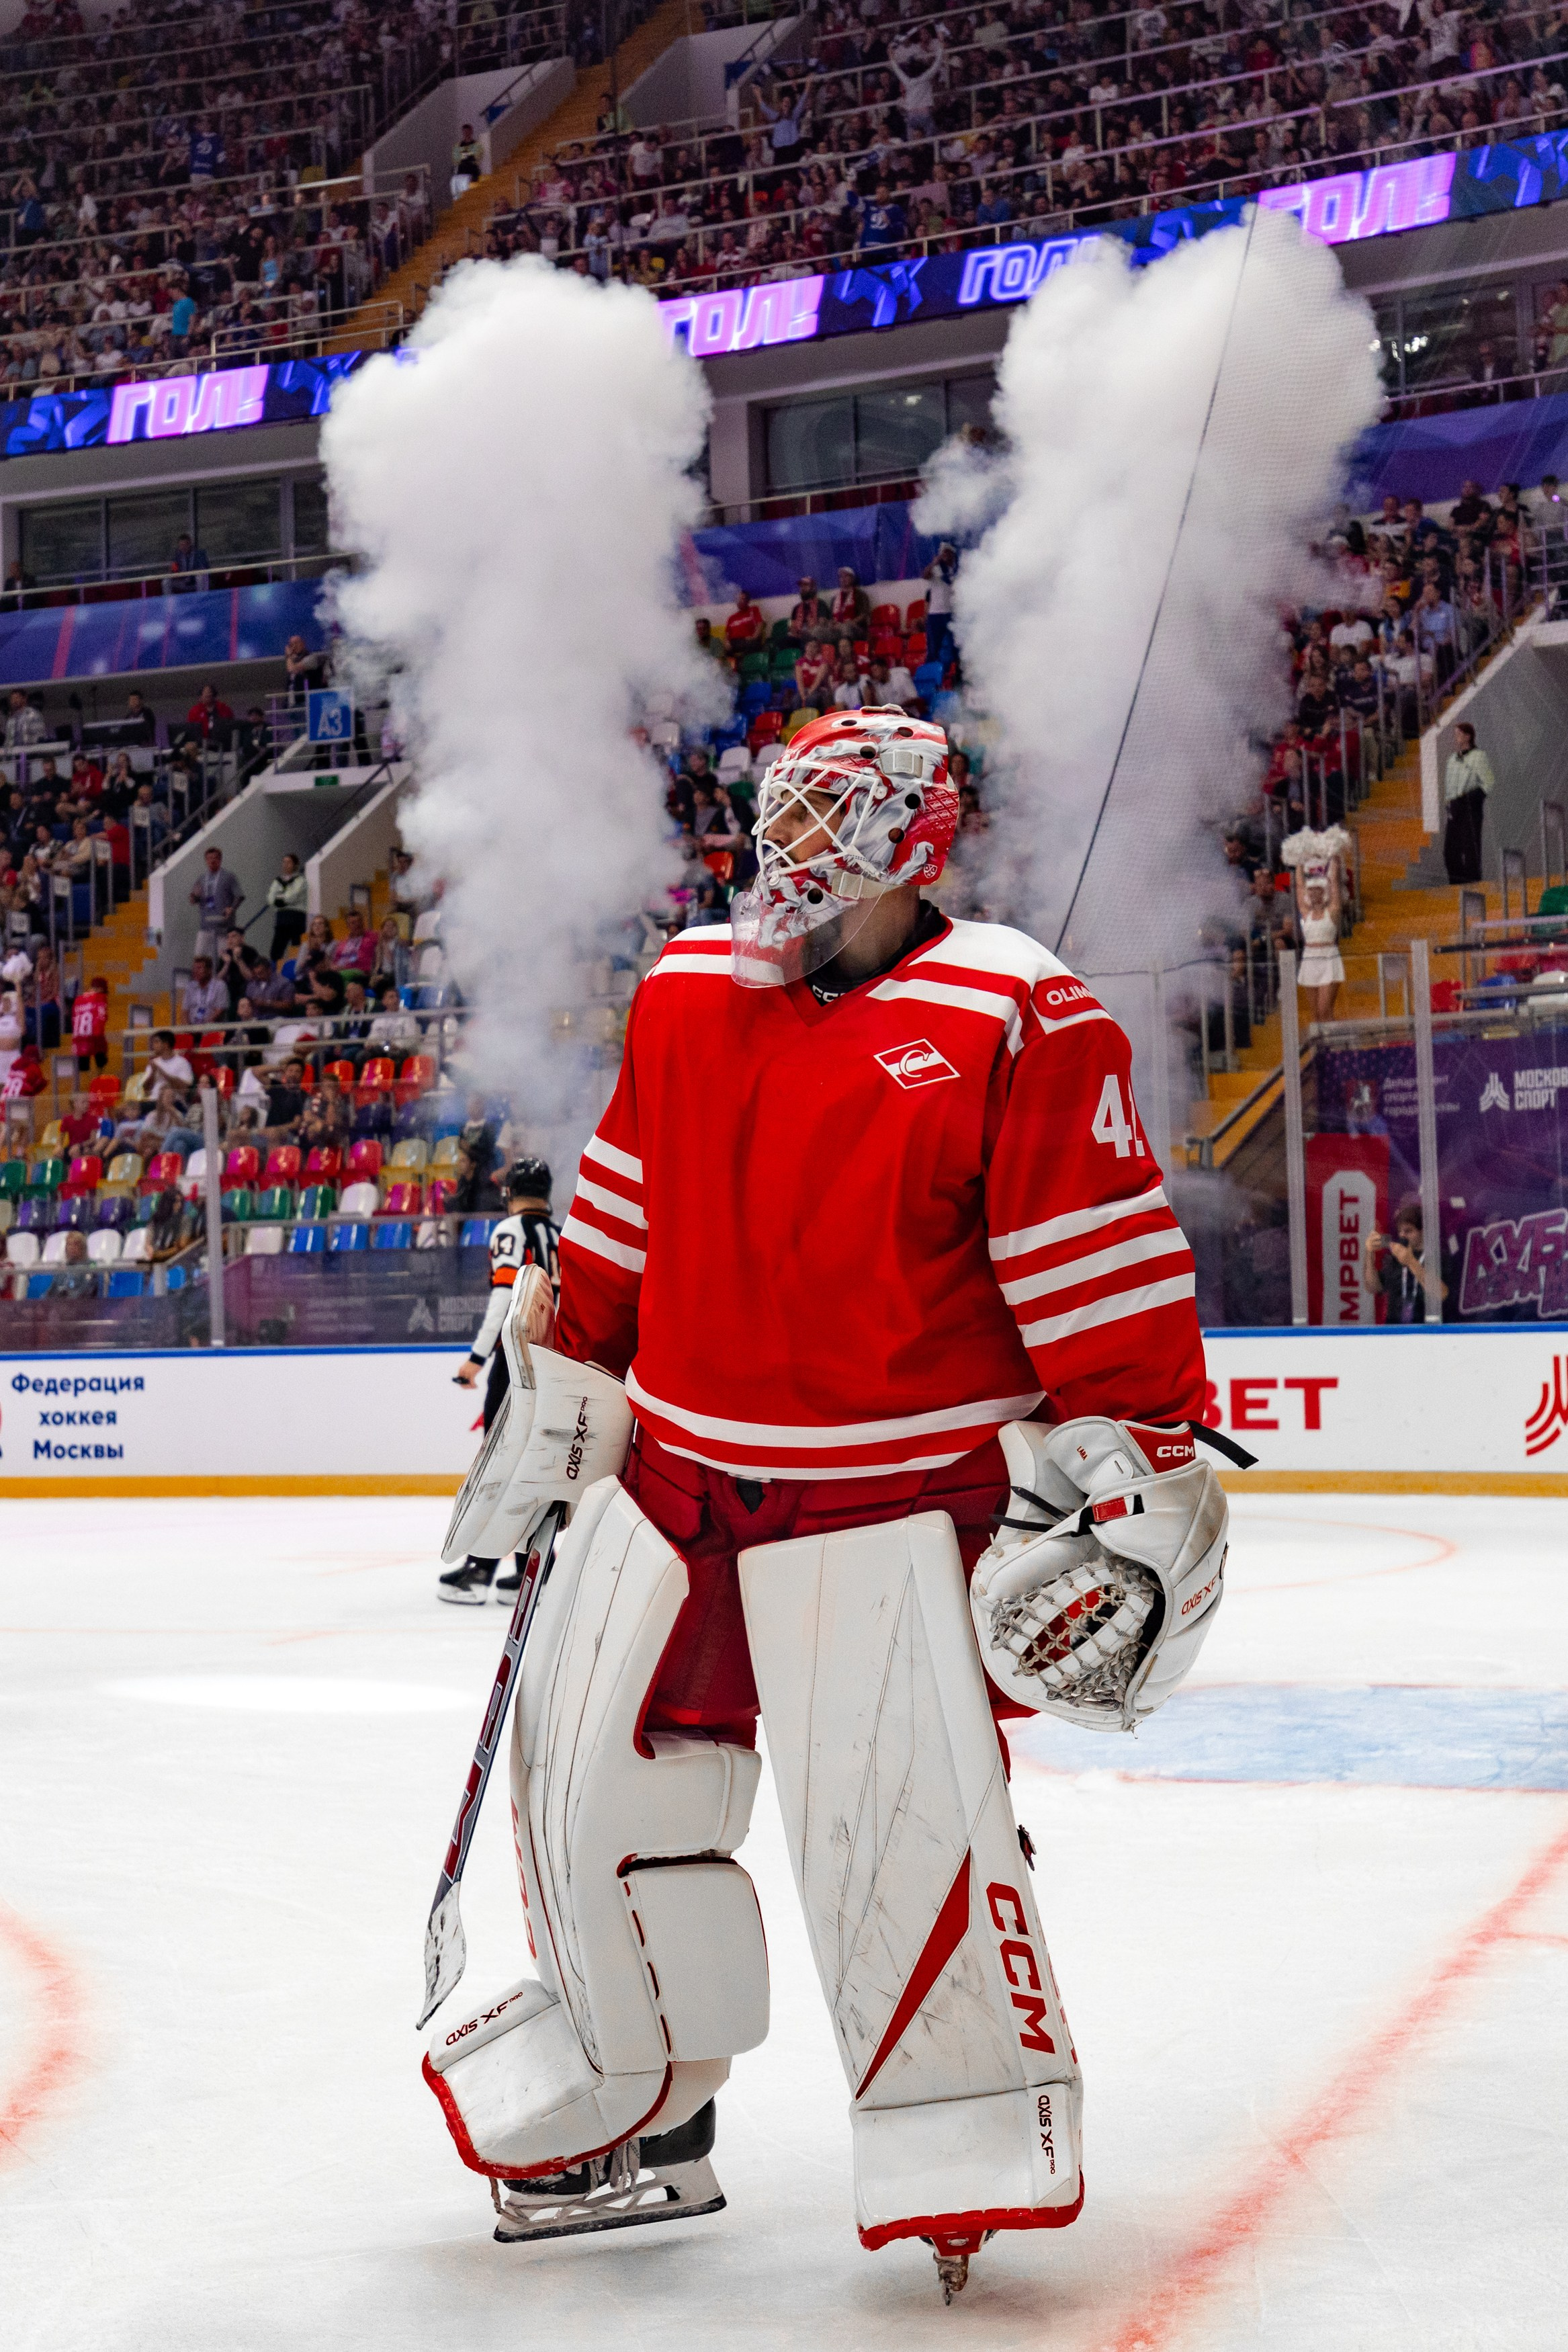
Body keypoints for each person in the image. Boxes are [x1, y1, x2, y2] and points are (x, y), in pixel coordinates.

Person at [424, 707, 1229, 2293]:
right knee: (596, 1807)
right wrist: (558, 1378)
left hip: (895, 1501)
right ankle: (638, 2103)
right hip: (670, 1485)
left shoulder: (1013, 1010)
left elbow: (1097, 1277)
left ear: (914, 846)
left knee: (896, 1840)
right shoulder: (682, 996)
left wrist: (1137, 1463)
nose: (790, 857)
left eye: (830, 826)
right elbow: (621, 1217)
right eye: (781, 818)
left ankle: (961, 2120)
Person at [439, 1158, 562, 1605]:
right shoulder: (559, 1233)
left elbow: (505, 1298)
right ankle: (533, 1570)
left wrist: (475, 1358)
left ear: (511, 1193)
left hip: (514, 1361)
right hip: (552, 1362)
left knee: (496, 1463)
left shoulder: (510, 1231)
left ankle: (481, 1570)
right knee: (534, 1465)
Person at [1362, 1200, 1446, 1322]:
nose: (1402, 1236)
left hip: (1425, 1328)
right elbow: (1373, 1287)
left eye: (1408, 1231)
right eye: (1400, 1231)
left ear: (1422, 1232)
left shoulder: (1437, 1256)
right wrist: (1369, 1253)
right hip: (1394, 1328)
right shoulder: (1395, 1257)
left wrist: (1411, 1262)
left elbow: (1442, 1294)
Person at [1443, 721, 1494, 885]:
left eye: (1459, 734)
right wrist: (1449, 803)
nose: (1456, 737)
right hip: (1454, 806)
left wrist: (1472, 797)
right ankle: (1457, 883)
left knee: (1470, 849)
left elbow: (1489, 782)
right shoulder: (1452, 759)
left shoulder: (1478, 756)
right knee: (1450, 851)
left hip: (1470, 806)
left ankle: (1473, 884)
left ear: (1468, 736)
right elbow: (1449, 783)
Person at [1292, 866, 1344, 1023]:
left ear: (1324, 891)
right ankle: (1320, 1047)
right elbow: (1299, 886)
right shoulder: (1306, 913)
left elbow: (1334, 883)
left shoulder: (1333, 911)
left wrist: (1334, 857)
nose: (1314, 893)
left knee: (1325, 1010)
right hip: (1310, 959)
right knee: (1315, 1015)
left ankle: (1333, 1046)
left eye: (1318, 889)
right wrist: (1298, 863)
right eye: (1311, 890)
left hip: (1329, 957)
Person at [189, 845, 243, 955]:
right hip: (206, 925)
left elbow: (239, 896)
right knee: (200, 957)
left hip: (224, 927)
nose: (212, 861)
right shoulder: (202, 879)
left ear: (220, 860)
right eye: (209, 858)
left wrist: (231, 909)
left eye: (215, 858)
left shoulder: (228, 877)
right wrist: (194, 897)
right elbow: (194, 899)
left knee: (222, 960)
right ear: (206, 861)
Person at [266, 852, 308, 961]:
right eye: (284, 862)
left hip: (296, 918)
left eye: (289, 862)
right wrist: (282, 900)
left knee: (297, 948)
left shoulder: (300, 880)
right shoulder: (277, 881)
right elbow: (271, 898)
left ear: (295, 865)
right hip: (282, 918)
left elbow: (293, 896)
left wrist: (280, 899)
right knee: (276, 951)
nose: (285, 865)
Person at [71, 972, 109, 1073]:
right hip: (95, 1034)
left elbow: (74, 1018)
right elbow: (102, 1017)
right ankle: (99, 1081)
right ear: (101, 989)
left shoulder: (78, 1000)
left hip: (80, 1036)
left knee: (83, 1065)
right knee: (100, 1060)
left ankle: (85, 1086)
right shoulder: (100, 998)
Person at [182, 955, 228, 1025]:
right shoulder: (190, 987)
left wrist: (205, 1026)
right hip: (192, 1028)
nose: (196, 971)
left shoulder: (219, 986)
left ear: (209, 971)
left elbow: (220, 1010)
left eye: (199, 968)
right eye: (194, 969)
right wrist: (187, 1027)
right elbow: (185, 1010)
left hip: (213, 1028)